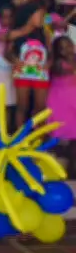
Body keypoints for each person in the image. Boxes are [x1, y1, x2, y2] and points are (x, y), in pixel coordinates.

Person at [7, 0, 49, 128]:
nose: (43, 18)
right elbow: (8, 51)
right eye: (40, 15)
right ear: (30, 15)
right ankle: (21, 138)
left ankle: (39, 137)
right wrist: (15, 60)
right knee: (22, 106)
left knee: (40, 106)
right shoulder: (17, 32)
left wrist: (48, 64)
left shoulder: (44, 32)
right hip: (22, 73)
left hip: (40, 72)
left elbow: (51, 52)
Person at [48, 36, 76, 176]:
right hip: (60, 102)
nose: (67, 50)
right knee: (59, 136)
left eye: (68, 45)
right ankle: (57, 171)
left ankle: (72, 170)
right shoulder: (58, 63)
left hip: (73, 101)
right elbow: (66, 70)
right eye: (62, 48)